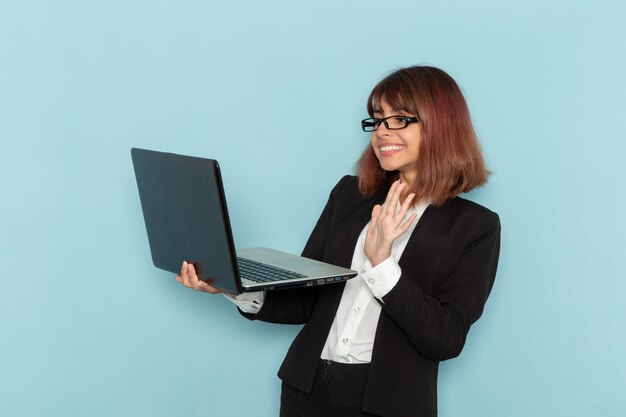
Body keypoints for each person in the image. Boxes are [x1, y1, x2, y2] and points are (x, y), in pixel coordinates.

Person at [175, 66, 501, 417]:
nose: (381, 132)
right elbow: (307, 299)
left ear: (441, 125)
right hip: (306, 389)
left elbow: (446, 338)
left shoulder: (474, 227)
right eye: (377, 120)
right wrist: (233, 286)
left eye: (399, 119)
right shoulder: (350, 194)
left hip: (387, 403)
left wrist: (382, 265)